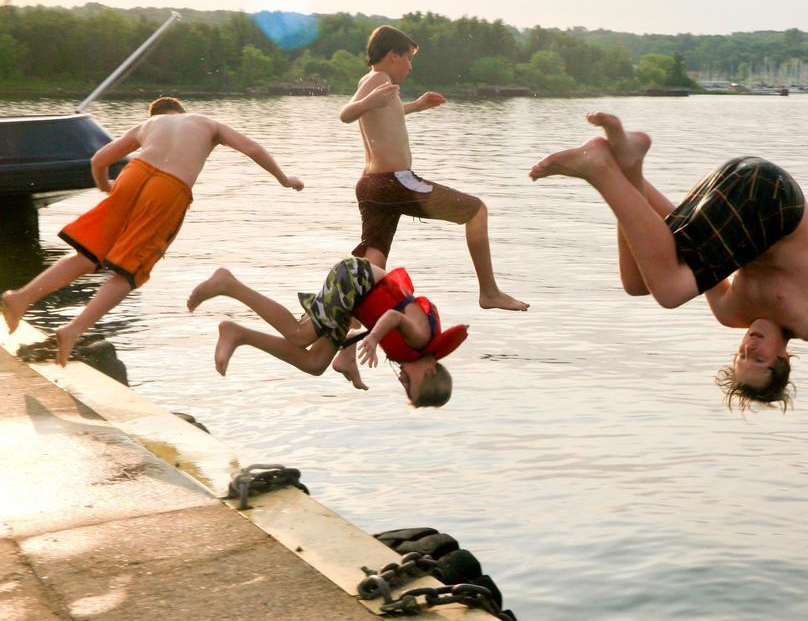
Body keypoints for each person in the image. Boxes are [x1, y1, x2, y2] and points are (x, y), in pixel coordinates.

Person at [529, 112, 808, 410]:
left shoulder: (729, 311)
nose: (749, 349)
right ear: (783, 358)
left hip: (736, 186)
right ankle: (600, 169)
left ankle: (628, 167)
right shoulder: (807, 322)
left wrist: (637, 187)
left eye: (741, 357)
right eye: (758, 361)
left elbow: (676, 239)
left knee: (637, 282)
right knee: (671, 292)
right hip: (772, 199)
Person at [1, 97, 303, 365]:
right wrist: (283, 178)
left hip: (133, 174)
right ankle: (72, 330)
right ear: (182, 111)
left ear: (156, 114)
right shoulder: (206, 122)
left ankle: (21, 298)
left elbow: (99, 160)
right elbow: (251, 147)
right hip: (169, 189)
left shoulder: (148, 126)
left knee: (87, 255)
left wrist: (107, 188)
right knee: (128, 271)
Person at [339, 25, 528, 312]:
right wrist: (367, 101)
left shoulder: (376, 81)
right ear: (393, 55)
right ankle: (489, 292)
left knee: (375, 256)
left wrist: (416, 105)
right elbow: (346, 114)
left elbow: (386, 114)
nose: (410, 66)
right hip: (394, 182)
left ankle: (346, 326)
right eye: (408, 58)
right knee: (476, 210)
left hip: (372, 185)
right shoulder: (377, 79)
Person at [185, 256, 466, 407]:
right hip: (354, 278)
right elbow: (391, 316)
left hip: (356, 298)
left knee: (314, 363)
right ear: (429, 371)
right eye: (408, 384)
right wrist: (373, 339)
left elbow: (372, 315)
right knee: (299, 334)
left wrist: (350, 354)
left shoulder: (413, 353)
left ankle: (239, 334)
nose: (402, 379)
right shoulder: (420, 339)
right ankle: (228, 284)